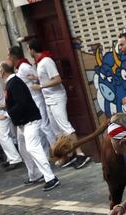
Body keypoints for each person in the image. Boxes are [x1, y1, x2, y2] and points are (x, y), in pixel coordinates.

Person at [28, 39, 90, 169]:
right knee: (56, 129)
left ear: (32, 50)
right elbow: (47, 77)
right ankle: (69, 153)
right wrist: (37, 79)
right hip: (49, 99)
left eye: (29, 49)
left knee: (65, 126)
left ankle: (80, 154)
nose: (29, 51)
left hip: (56, 97)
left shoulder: (46, 61)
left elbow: (57, 79)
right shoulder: (40, 63)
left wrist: (40, 86)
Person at [0, 61, 60, 190]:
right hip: (24, 122)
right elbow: (18, 101)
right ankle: (35, 174)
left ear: (2, 71)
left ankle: (51, 178)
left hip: (30, 121)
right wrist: (6, 106)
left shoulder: (14, 83)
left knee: (32, 147)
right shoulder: (13, 82)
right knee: (23, 148)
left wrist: (7, 114)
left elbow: (23, 103)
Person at [8, 46, 57, 150]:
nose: (7, 58)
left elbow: (40, 78)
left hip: (38, 99)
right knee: (40, 130)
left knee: (45, 126)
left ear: (13, 57)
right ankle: (47, 153)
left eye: (8, 55)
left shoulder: (24, 67)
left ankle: (58, 152)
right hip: (33, 101)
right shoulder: (20, 68)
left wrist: (36, 80)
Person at [0, 77, 22, 171]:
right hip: (3, 108)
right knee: (7, 136)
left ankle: (14, 158)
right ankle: (10, 157)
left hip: (0, 112)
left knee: (3, 137)